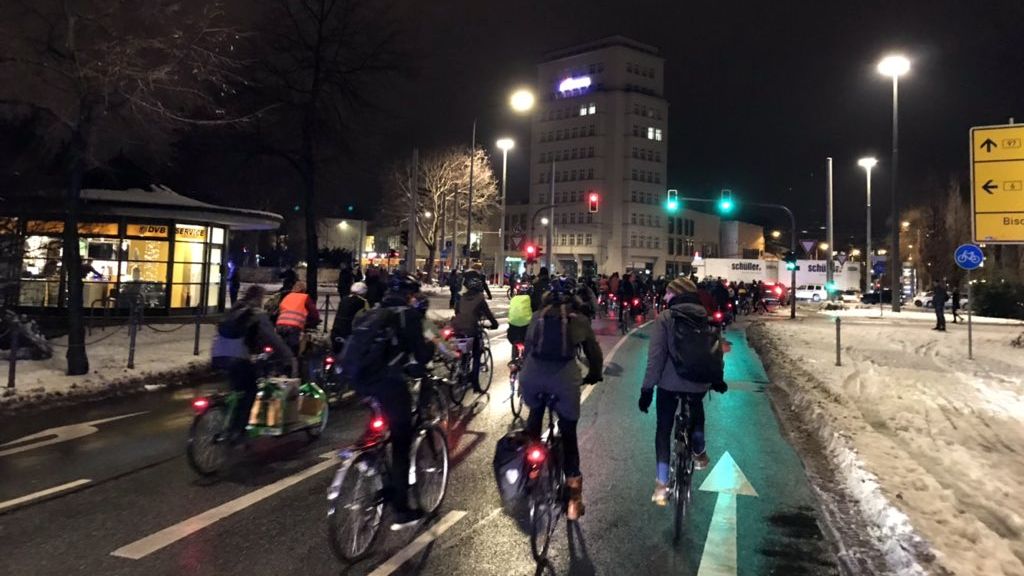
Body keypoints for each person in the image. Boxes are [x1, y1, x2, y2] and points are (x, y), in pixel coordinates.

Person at [354, 273, 437, 528]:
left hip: (360, 379)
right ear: (410, 295)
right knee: (402, 440)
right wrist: (431, 347)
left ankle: (368, 454)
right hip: (389, 381)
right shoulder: (407, 316)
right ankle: (401, 508)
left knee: (379, 415)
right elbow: (421, 355)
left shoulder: (373, 312)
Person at [520, 276, 604, 521]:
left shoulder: (538, 316)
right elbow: (594, 354)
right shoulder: (579, 320)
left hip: (532, 377)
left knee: (534, 415)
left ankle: (531, 468)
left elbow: (528, 346)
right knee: (568, 434)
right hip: (564, 380)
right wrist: (594, 374)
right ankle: (574, 502)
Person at [639, 277, 727, 506]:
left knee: (663, 430)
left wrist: (647, 389)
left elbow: (655, 358)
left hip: (668, 385)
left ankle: (661, 484)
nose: (665, 297)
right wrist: (717, 379)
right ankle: (699, 453)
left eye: (668, 293)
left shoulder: (666, 318)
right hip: (698, 382)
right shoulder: (705, 316)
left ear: (676, 294)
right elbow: (715, 351)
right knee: (697, 413)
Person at [211, 285, 296, 443]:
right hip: (239, 358)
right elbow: (273, 339)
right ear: (259, 298)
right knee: (250, 390)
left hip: (218, 354)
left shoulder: (234, 309)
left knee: (236, 388)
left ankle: (225, 416)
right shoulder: (256, 314)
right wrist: (287, 356)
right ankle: (237, 431)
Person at [451, 273, 499, 393]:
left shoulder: (461, 298)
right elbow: (488, 314)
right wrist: (494, 324)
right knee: (477, 354)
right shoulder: (480, 299)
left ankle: (461, 372)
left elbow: (457, 311)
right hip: (471, 329)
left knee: (464, 352)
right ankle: (475, 384)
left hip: (457, 328)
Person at [275, 281, 321, 355]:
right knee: (294, 348)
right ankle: (293, 363)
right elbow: (314, 313)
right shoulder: (305, 297)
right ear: (304, 290)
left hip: (280, 324)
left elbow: (280, 309)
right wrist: (314, 321)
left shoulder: (287, 296)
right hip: (293, 326)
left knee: (280, 347)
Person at [331, 281, 369, 353]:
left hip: (336, 331)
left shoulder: (344, 299)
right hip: (350, 334)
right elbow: (367, 318)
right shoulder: (363, 302)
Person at [507, 282, 533, 361]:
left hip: (513, 325)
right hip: (526, 325)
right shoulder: (530, 299)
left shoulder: (513, 299)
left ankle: (513, 360)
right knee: (529, 340)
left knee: (514, 340)